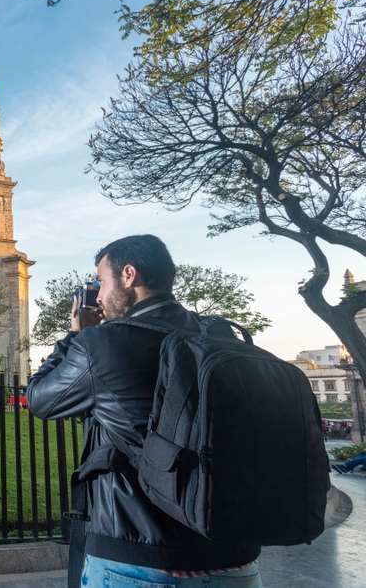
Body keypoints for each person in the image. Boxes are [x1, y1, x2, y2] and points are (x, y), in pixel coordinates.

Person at [27, 235, 262, 587]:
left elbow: (39, 399)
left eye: (101, 282)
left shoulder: (102, 343)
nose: (100, 296)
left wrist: (75, 334)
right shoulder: (220, 334)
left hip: (141, 558)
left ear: (128, 275)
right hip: (236, 559)